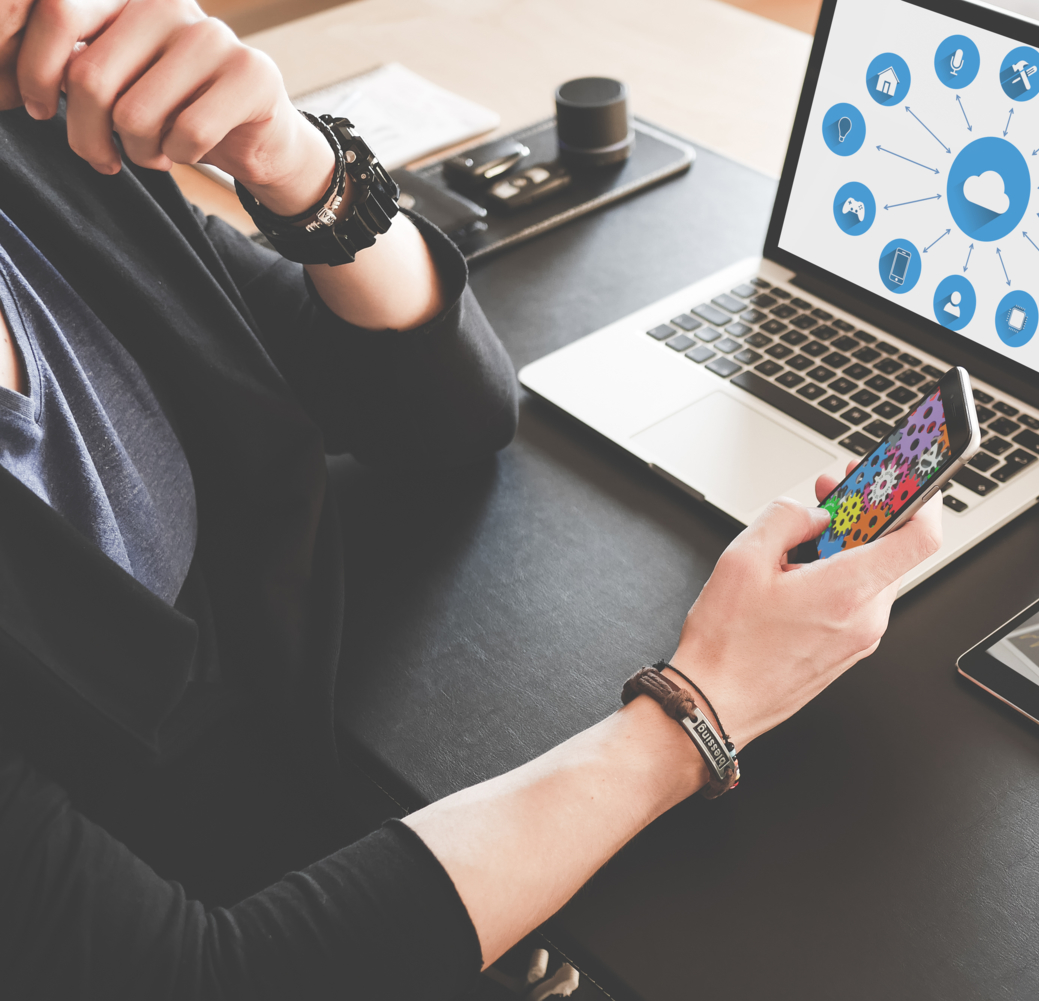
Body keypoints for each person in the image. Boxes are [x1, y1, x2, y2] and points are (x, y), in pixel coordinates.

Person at [0, 0, 944, 996]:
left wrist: (299, 164)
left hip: (302, 789)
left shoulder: (43, 152)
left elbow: (443, 413)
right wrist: (700, 709)